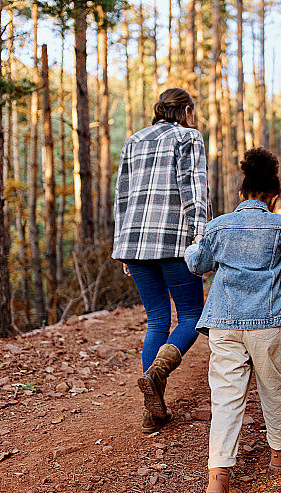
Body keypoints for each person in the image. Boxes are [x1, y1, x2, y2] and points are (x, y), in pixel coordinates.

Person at [184, 147, 281, 493]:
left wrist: (194, 246)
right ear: (273, 196)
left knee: (226, 396)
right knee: (272, 384)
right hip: (267, 323)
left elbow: (198, 264)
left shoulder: (218, 226)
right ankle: (279, 449)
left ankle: (218, 478)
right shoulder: (280, 226)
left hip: (224, 323)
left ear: (242, 193)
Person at [112, 88, 209, 434]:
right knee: (192, 316)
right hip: (174, 242)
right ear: (186, 111)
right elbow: (194, 189)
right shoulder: (188, 137)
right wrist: (201, 236)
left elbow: (121, 197)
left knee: (156, 320)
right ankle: (158, 373)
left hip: (134, 243)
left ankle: (152, 413)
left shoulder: (134, 141)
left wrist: (123, 247)